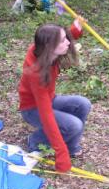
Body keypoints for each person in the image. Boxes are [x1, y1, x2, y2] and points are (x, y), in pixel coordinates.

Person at [18, 18, 91, 172]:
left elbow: (61, 38)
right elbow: (46, 115)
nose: (69, 43)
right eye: (64, 40)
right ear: (50, 47)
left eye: (66, 38)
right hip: (32, 109)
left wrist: (75, 29)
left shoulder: (42, 49)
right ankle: (35, 141)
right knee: (73, 125)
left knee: (83, 104)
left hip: (49, 99)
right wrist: (61, 153)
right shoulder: (35, 73)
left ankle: (71, 146)